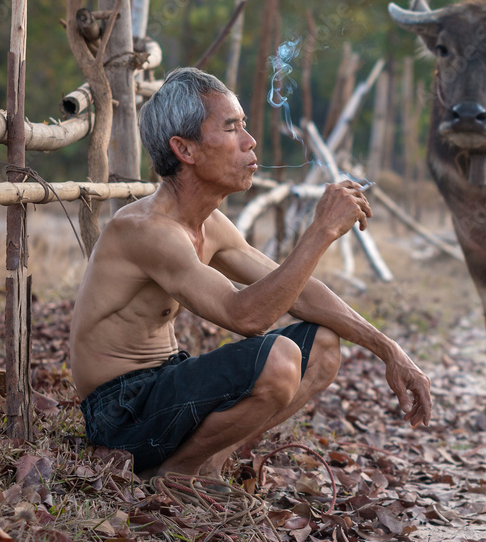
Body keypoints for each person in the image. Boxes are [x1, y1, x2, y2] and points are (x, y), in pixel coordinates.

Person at [69, 67, 432, 480]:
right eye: (231, 128)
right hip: (120, 413)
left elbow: (301, 294)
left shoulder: (210, 223)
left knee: (324, 344)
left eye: (245, 125)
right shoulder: (146, 231)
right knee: (279, 359)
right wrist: (321, 232)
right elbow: (247, 318)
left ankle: (206, 464)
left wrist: (389, 350)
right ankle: (176, 475)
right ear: (184, 150)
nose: (250, 141)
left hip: (161, 386)